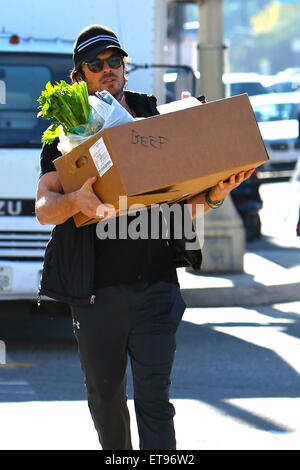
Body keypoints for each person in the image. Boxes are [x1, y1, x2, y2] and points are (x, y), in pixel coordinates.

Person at [35, 24, 254, 450]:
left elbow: (180, 202)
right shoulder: (64, 134)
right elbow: (44, 208)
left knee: (155, 400)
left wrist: (215, 193)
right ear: (79, 75)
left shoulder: (153, 117)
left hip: (156, 287)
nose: (108, 70)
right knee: (105, 400)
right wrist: (77, 200)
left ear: (125, 68)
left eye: (115, 62)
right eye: (96, 65)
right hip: (96, 294)